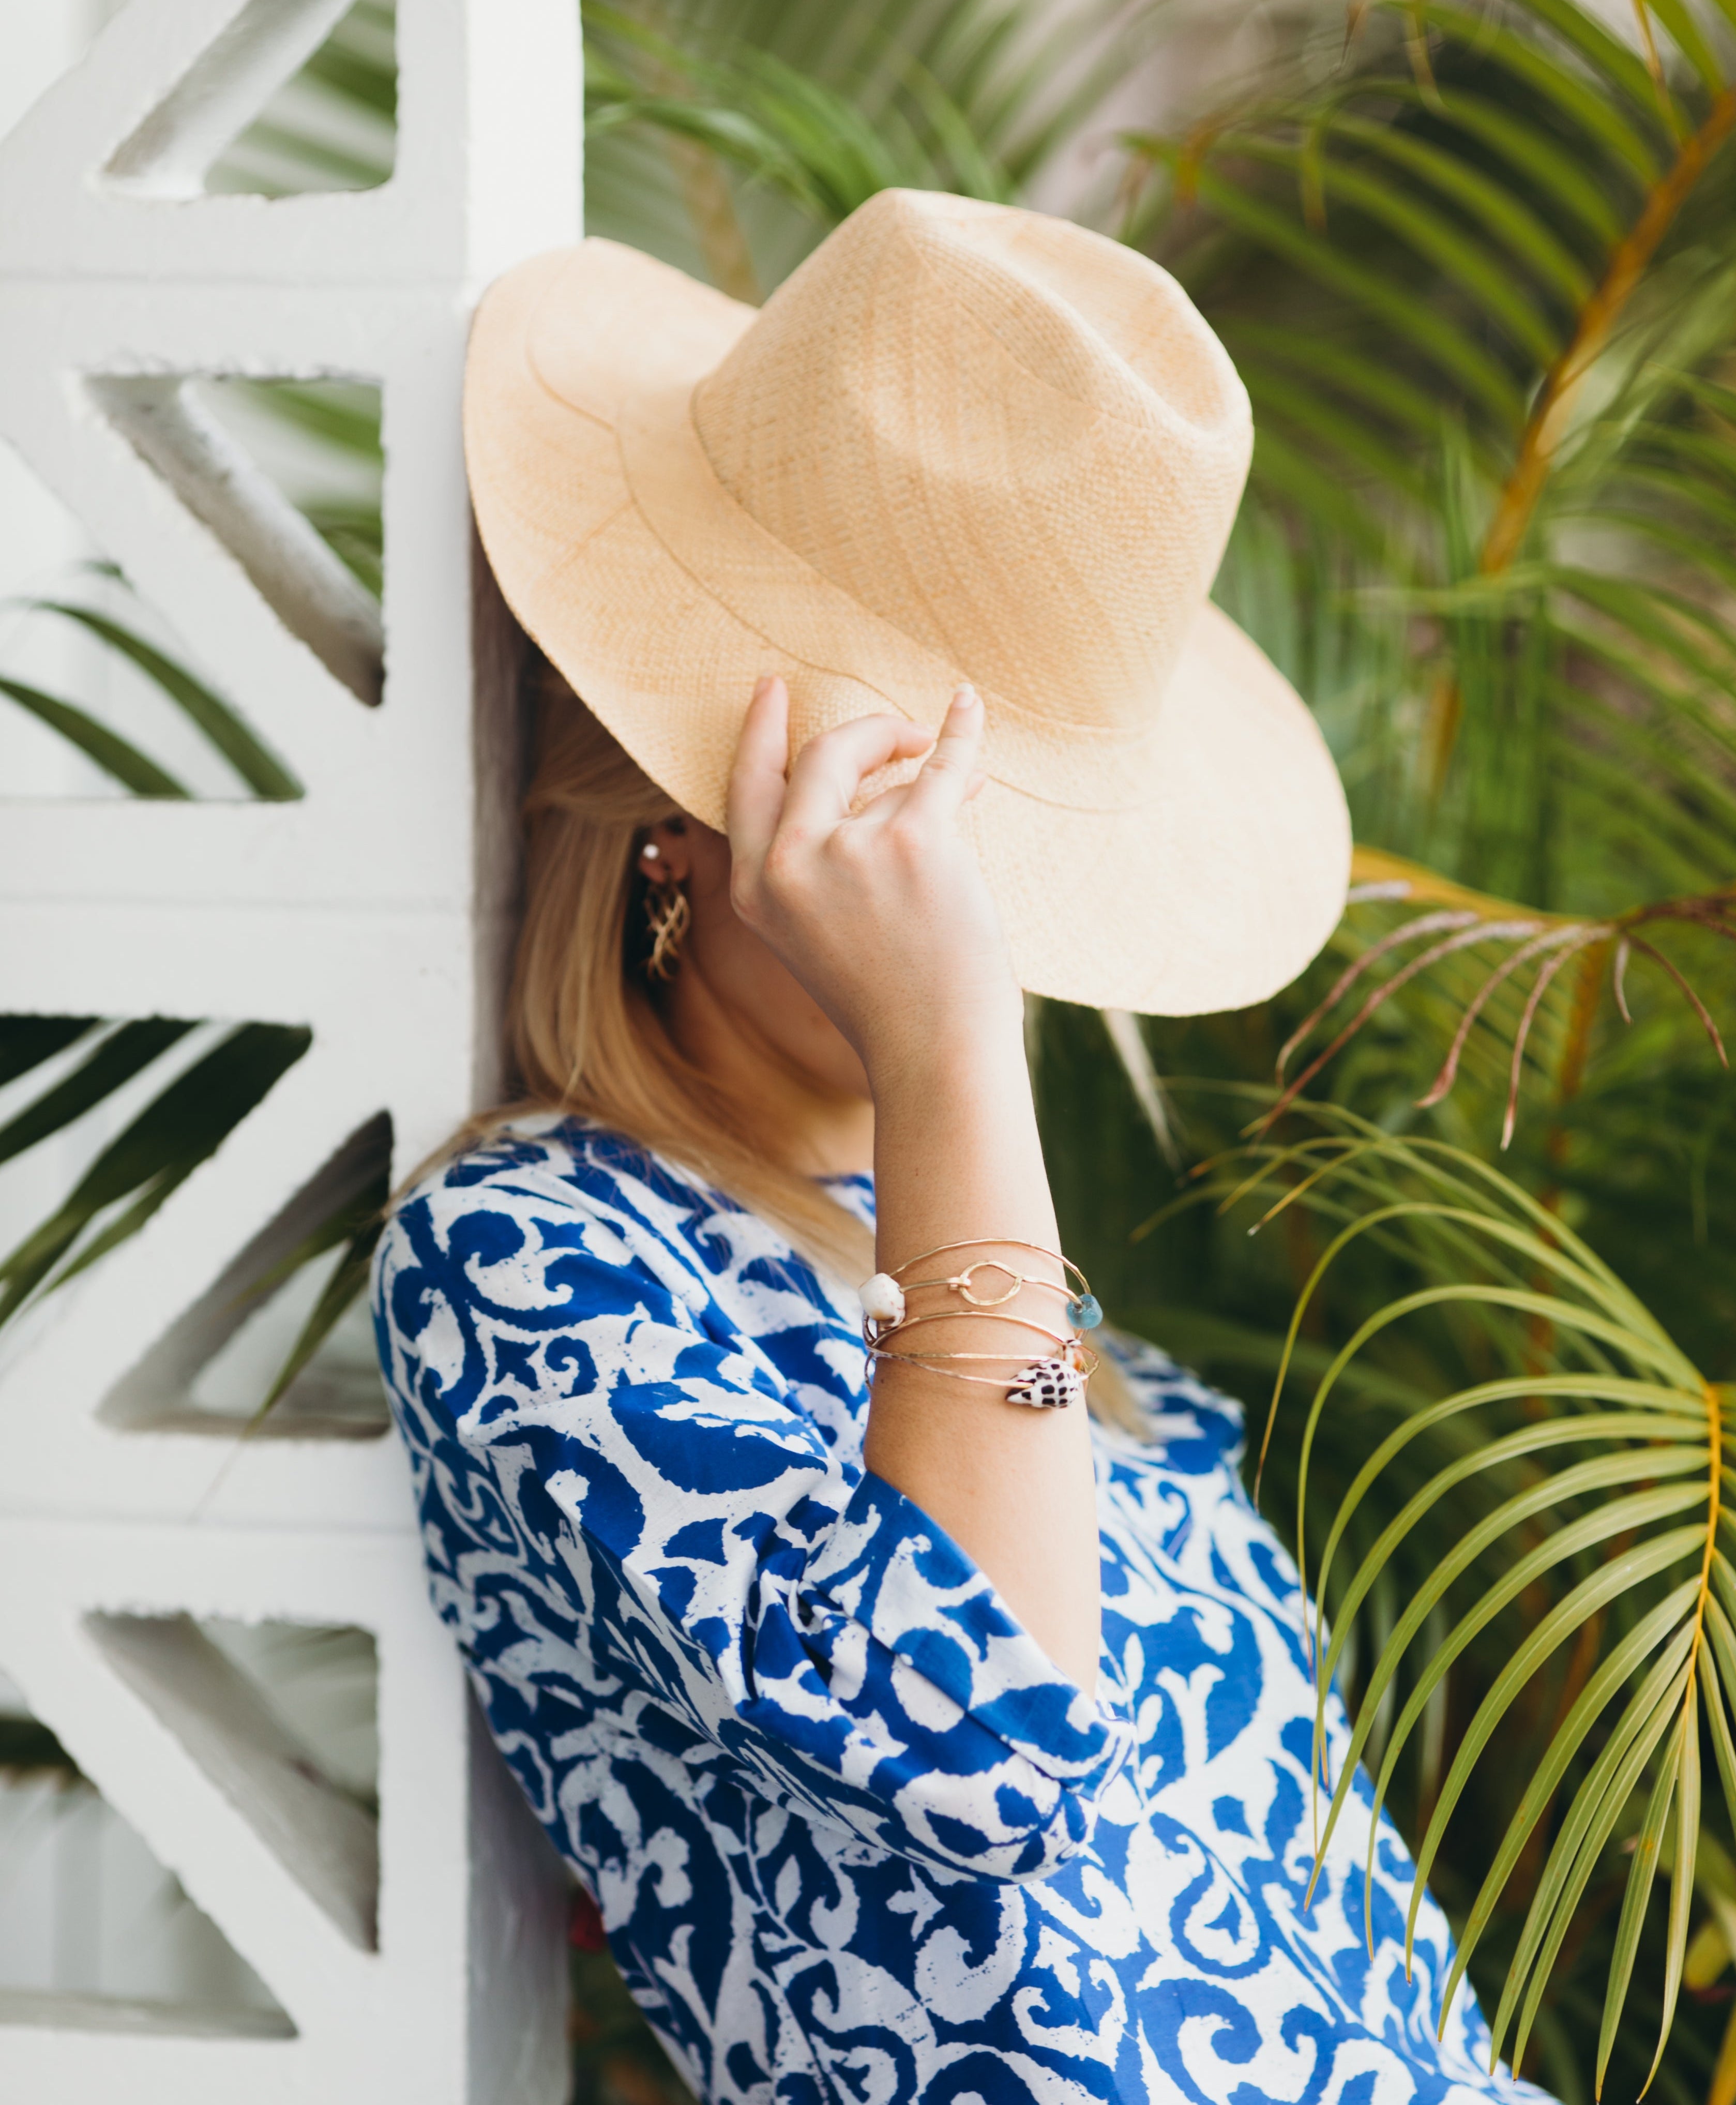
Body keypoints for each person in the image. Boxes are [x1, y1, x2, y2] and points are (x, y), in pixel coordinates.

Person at [371, 189, 1536, 2103]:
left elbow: (1353, 1971)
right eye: (920, 811)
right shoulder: (530, 1256)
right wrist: (945, 1043)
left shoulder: (1065, 1333)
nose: (990, 912)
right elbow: (974, 1743)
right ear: (684, 809)